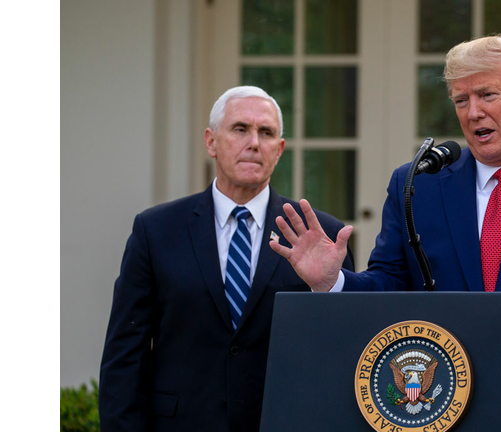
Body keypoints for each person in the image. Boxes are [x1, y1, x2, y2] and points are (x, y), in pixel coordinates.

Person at [270, 34, 501, 362]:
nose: (473, 112)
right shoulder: (417, 185)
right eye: (461, 100)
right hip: (445, 393)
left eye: (487, 95)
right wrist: (332, 282)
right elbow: (389, 284)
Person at [99, 86, 354, 431]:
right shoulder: (156, 230)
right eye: (240, 129)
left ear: (279, 150)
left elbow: (345, 350)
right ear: (211, 142)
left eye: (266, 133)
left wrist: (328, 287)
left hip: (286, 422)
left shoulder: (318, 233)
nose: (254, 142)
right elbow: (125, 353)